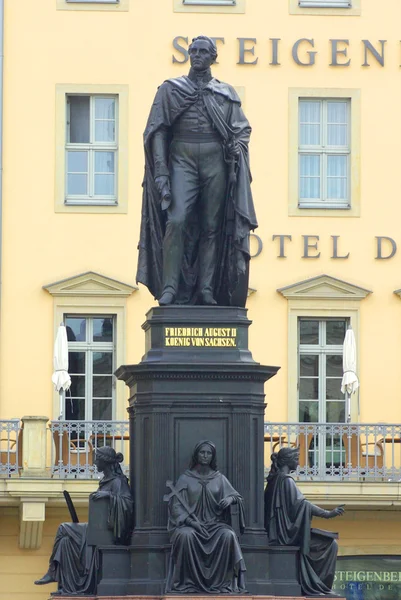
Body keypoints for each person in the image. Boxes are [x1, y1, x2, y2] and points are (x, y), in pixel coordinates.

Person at [137, 35, 257, 308]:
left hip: (215, 160)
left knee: (212, 227)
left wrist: (236, 147)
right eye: (194, 51)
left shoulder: (225, 93)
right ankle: (169, 287)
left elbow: (241, 130)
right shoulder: (171, 89)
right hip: (183, 157)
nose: (198, 55)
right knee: (177, 220)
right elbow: (157, 131)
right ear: (189, 54)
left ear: (213, 57)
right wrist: (162, 173)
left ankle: (206, 288)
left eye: (204, 51)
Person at [34, 446, 134, 596]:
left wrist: (108, 496)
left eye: (97, 459)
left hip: (108, 531)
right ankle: (67, 584)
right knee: (64, 542)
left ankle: (52, 571)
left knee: (63, 528)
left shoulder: (118, 482)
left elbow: (127, 504)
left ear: (105, 462)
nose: (94, 463)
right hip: (97, 529)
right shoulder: (106, 481)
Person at [166, 440, 246, 594]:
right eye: (202, 452)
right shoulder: (185, 478)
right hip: (191, 526)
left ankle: (223, 584)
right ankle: (186, 583)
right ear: (196, 455)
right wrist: (190, 522)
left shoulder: (219, 478)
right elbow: (176, 507)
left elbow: (237, 497)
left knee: (228, 535)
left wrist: (230, 499)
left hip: (215, 525)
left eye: (209, 453)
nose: (205, 456)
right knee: (185, 536)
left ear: (213, 457)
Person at [264, 447, 345, 598]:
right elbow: (304, 505)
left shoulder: (275, 480)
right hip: (287, 536)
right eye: (296, 459)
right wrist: (328, 514)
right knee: (330, 545)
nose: (298, 462)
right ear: (287, 461)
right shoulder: (286, 481)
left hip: (284, 532)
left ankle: (318, 585)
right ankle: (318, 585)